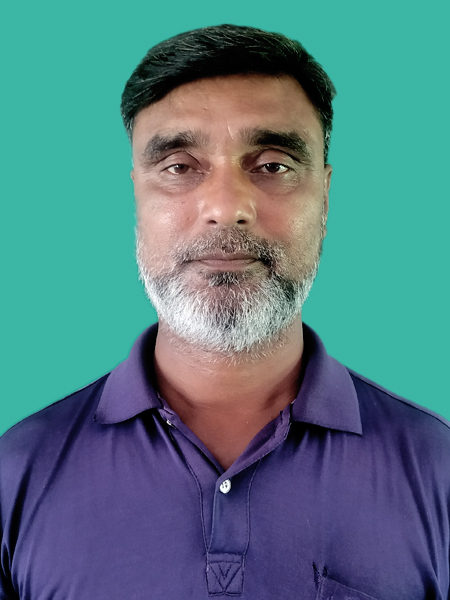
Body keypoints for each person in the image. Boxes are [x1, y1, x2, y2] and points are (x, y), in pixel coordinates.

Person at [0, 24, 449, 600]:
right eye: (179, 166)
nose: (226, 207)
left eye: (274, 165)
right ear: (136, 194)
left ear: (325, 197)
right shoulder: (18, 471)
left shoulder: (436, 468)